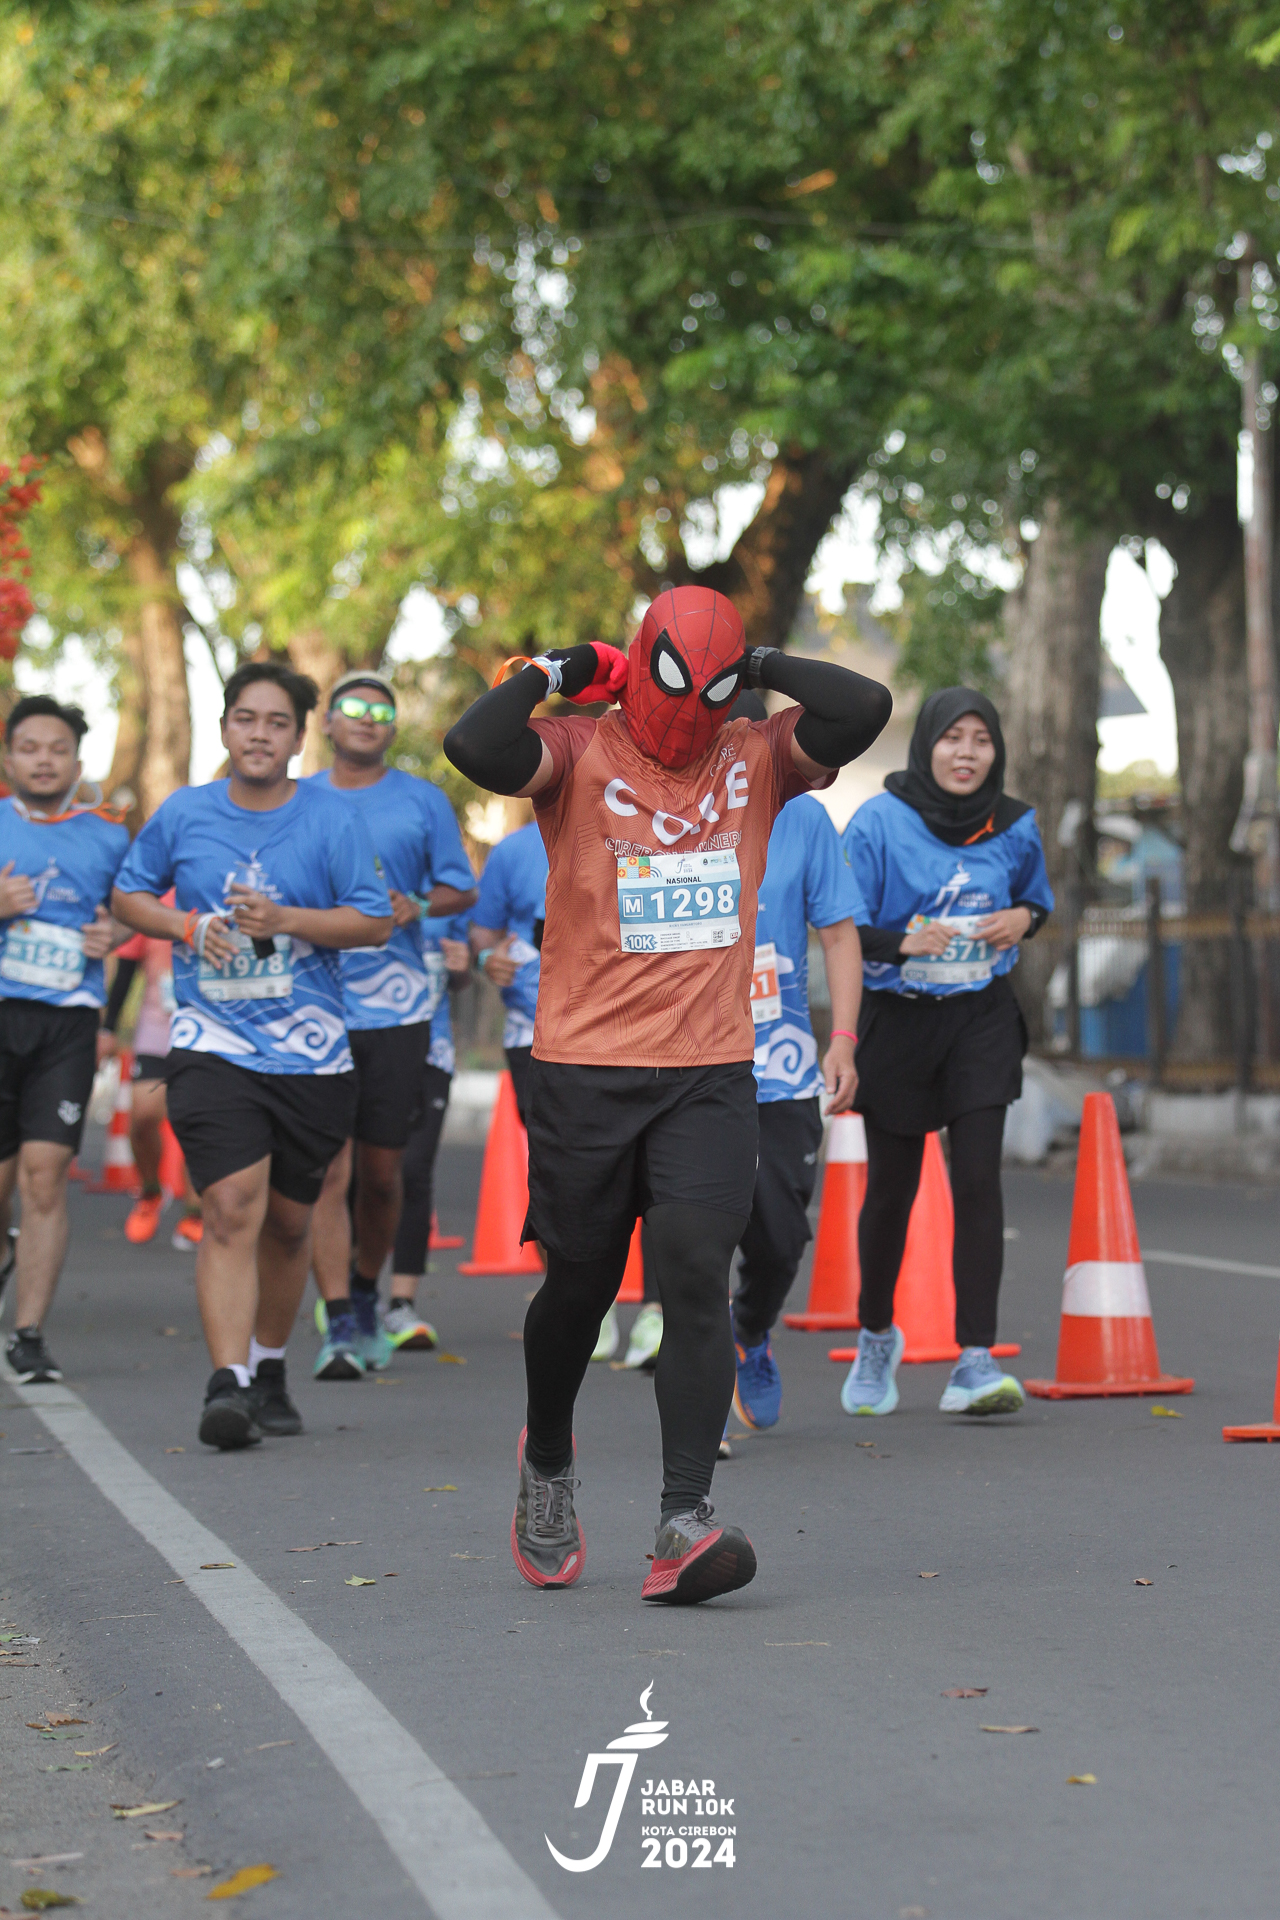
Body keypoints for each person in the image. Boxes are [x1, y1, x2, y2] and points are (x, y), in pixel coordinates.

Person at [445, 584, 890, 1604]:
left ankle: (682, 1520)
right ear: (638, 662)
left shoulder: (757, 757)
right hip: (583, 1069)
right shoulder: (574, 750)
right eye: (675, 681)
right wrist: (560, 669)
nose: (692, 712)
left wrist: (757, 666)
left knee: (695, 1273)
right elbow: (472, 746)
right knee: (581, 1286)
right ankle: (547, 1456)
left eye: (713, 689)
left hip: (708, 1071)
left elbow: (862, 708)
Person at [112, 661, 393, 1450]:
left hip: (311, 1055)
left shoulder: (332, 819)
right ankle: (227, 1382)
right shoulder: (185, 813)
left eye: (276, 723)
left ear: (299, 739)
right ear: (225, 728)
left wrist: (286, 919)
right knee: (233, 1206)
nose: (259, 734)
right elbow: (128, 896)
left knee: (291, 1225)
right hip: (214, 1043)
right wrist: (185, 926)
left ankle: (269, 1366)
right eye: (246, 719)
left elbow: (374, 921)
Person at [838, 686, 1053, 1419]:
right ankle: (876, 1335)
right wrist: (904, 941)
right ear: (927, 744)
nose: (967, 753)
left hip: (980, 1019)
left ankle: (975, 1359)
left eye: (981, 740)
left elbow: (1038, 902)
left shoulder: (1015, 824)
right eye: (952, 738)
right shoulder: (878, 822)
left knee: (978, 1181)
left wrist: (1022, 918)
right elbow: (841, 926)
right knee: (891, 1193)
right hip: (899, 1022)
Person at [306, 671, 476, 1382]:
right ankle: (340, 1319)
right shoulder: (299, 799)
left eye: (380, 711)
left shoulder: (421, 799)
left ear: (393, 727)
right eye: (352, 707)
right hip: (316, 1006)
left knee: (383, 1176)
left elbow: (461, 886)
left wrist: (418, 906)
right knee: (328, 1171)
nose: (366, 718)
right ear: (327, 722)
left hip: (400, 1010)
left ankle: (366, 1289)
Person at [728, 696, 866, 1429]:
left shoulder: (804, 819)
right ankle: (699, 1407)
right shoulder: (661, 814)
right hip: (687, 1060)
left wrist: (842, 1039)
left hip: (779, 1065)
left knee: (780, 1235)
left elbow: (838, 936)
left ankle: (749, 1331)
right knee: (694, 1231)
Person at [0, 696, 130, 1382]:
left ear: (78, 764)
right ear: (8, 759)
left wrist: (116, 932)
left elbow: (138, 909)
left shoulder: (107, 836)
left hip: (68, 1023)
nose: (43, 760)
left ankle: (28, 1334)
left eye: (57, 749)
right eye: (29, 748)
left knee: (45, 1175)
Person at [385, 912, 473, 1348]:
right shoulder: (355, 882)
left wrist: (463, 967)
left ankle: (401, 1302)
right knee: (361, 1175)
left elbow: (463, 973)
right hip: (360, 1045)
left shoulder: (447, 893)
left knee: (414, 1171)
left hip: (430, 1051)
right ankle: (348, 1294)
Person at [102, 900, 204, 1250]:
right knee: (144, 1116)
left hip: (205, 1034)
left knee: (198, 1121)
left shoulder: (218, 889)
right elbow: (126, 969)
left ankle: (195, 1211)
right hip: (156, 1032)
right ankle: (150, 1191)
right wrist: (108, 1029)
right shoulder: (153, 900)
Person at [467, 813, 548, 1130]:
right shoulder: (512, 848)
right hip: (531, 1031)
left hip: (619, 1029)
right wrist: (487, 958)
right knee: (549, 1149)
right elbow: (484, 931)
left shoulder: (633, 835)